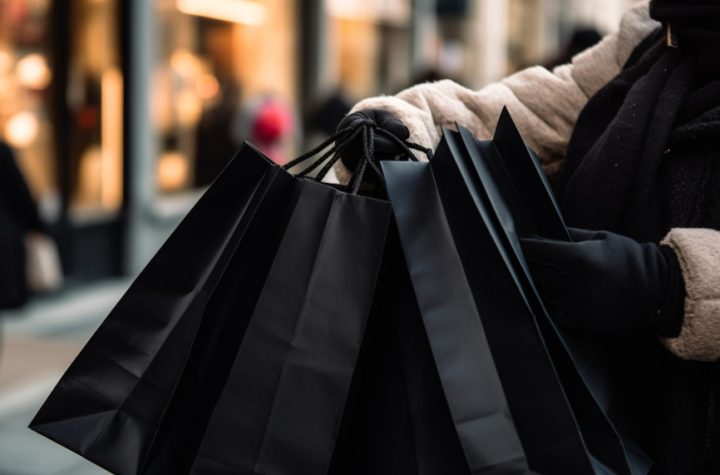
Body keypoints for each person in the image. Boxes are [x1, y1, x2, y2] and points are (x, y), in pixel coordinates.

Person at [336, 0, 720, 473]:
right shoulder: (654, 37)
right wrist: (405, 124)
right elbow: (519, 113)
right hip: (587, 412)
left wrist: (675, 286)